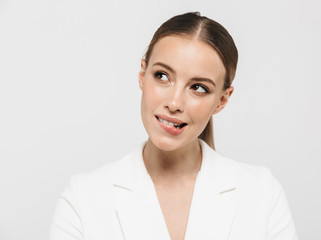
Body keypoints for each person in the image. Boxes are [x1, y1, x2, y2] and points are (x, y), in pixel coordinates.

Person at [50, 12, 298, 240]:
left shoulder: (262, 194)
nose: (174, 102)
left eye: (198, 87)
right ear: (142, 74)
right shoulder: (83, 199)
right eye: (162, 76)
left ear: (222, 100)